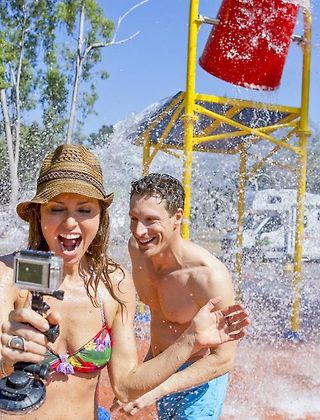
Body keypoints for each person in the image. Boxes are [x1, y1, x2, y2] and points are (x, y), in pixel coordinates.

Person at [0, 145, 249, 420]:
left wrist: (191, 339)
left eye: (84, 210)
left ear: (100, 216)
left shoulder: (113, 283)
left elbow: (126, 387)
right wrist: (5, 360)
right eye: (56, 209)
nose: (70, 222)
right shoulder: (7, 275)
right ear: (39, 214)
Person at [121, 173, 242, 418]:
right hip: (161, 368)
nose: (139, 231)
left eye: (150, 220)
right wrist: (143, 378)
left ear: (177, 217)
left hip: (199, 382)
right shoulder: (137, 250)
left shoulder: (208, 276)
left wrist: (157, 389)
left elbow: (223, 359)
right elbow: (161, 319)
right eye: (134, 219)